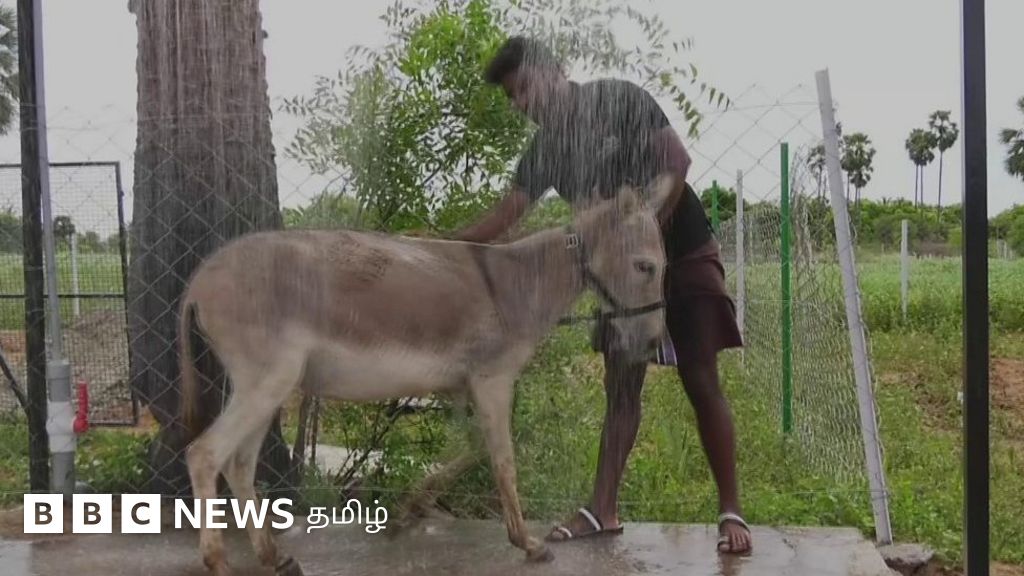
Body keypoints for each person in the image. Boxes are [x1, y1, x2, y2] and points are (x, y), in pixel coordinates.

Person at [453, 36, 751, 555]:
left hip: (681, 251)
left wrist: (644, 229)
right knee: (621, 390)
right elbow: (507, 216)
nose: (522, 104)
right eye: (513, 98)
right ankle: (602, 509)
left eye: (524, 88)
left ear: (555, 70)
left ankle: (731, 510)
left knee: (700, 378)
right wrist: (440, 248)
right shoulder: (546, 150)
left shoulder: (618, 98)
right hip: (621, 280)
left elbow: (677, 162)